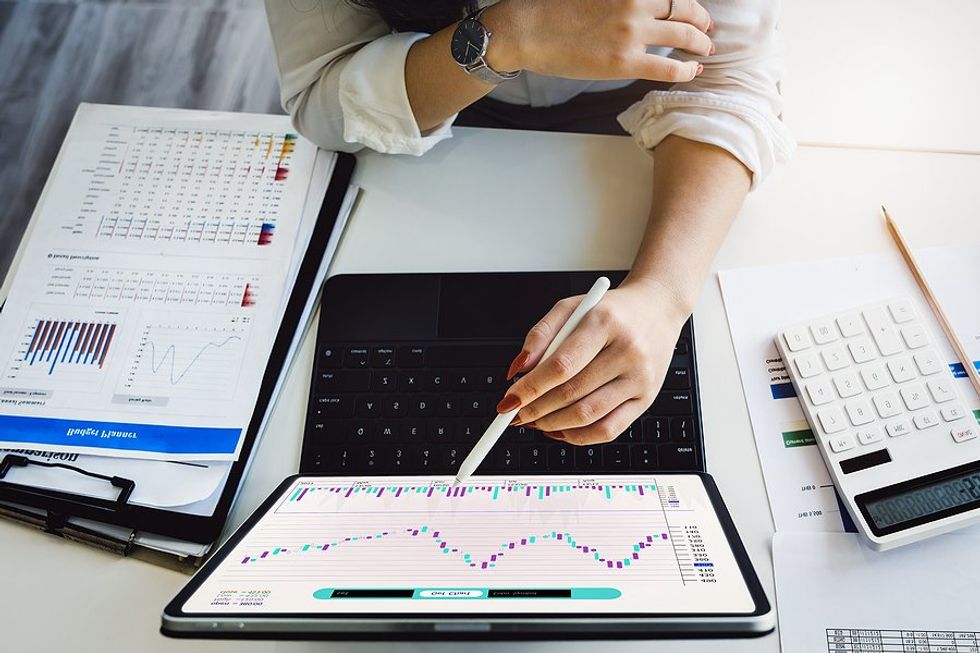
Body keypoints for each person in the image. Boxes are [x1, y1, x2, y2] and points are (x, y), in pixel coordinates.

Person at [265, 0, 793, 446]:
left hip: (645, 104)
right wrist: (508, 36)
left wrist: (663, 293)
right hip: (427, 89)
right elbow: (324, 101)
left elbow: (730, 82)